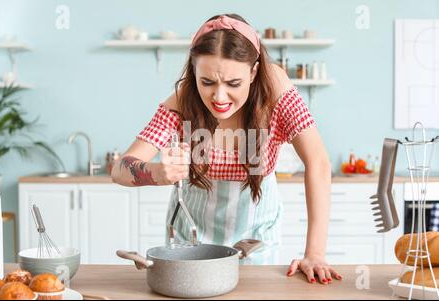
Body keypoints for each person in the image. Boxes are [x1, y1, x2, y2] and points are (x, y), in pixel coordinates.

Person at [112, 13, 341, 284]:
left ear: (254, 72)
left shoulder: (275, 89)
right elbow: (120, 169)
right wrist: (157, 173)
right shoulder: (184, 99)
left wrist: (314, 252)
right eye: (206, 82)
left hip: (255, 241)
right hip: (192, 243)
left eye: (233, 84)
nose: (219, 97)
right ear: (194, 71)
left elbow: (317, 161)